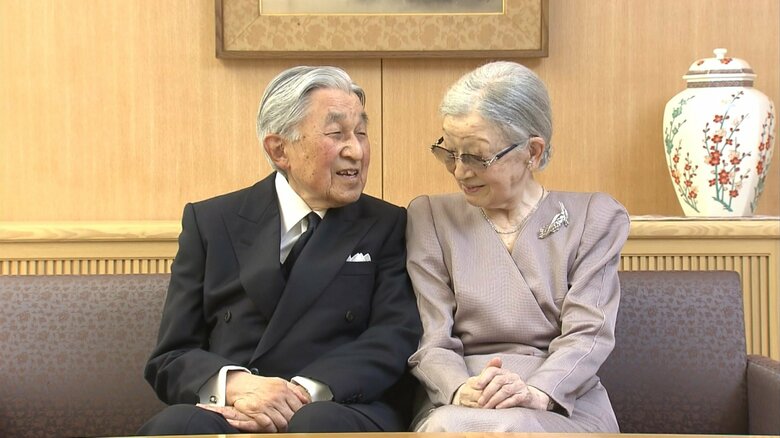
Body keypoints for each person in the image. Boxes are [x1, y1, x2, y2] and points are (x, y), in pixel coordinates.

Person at [138, 65, 422, 435]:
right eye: (336, 134)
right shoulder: (211, 221)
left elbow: (393, 337)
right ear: (280, 149)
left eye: (361, 133)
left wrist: (299, 394)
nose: (356, 151)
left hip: (340, 402)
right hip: (238, 406)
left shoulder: (387, 224)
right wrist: (237, 385)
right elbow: (171, 356)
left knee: (316, 424)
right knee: (179, 425)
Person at [405, 61, 630, 432]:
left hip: (562, 400)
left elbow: (588, 333)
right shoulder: (430, 217)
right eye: (450, 152)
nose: (460, 171)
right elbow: (431, 336)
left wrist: (538, 391)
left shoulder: (594, 217)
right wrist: (459, 388)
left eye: (477, 156)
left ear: (533, 152)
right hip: (461, 399)